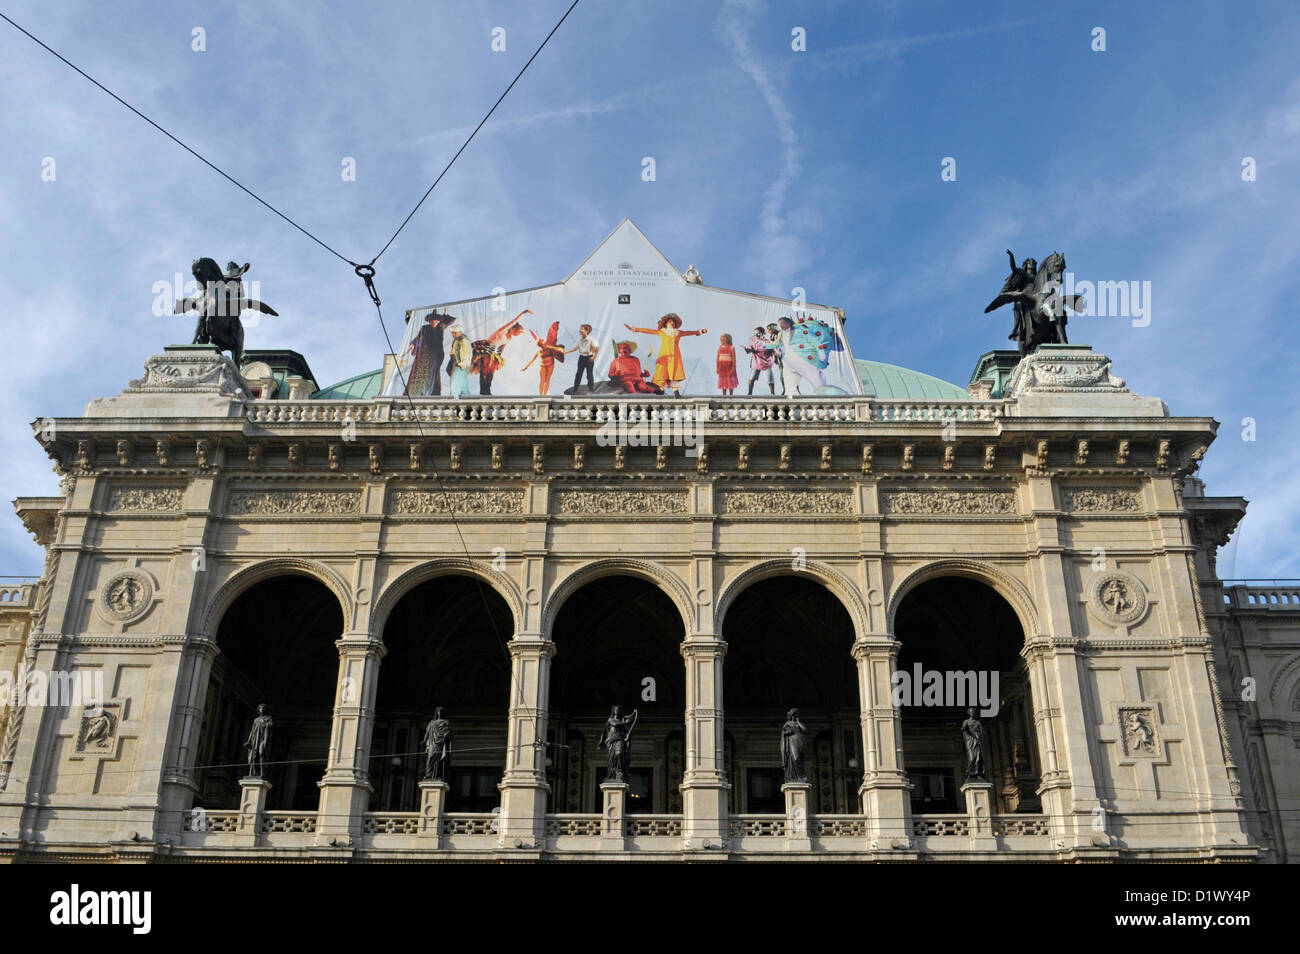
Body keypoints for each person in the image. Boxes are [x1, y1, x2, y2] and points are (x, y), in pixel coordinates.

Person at [624, 313, 707, 397]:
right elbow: (648, 331)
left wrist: (699, 331)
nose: (672, 323)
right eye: (670, 321)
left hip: (674, 357)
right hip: (664, 357)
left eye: (673, 321)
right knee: (663, 374)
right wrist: (634, 329)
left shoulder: (678, 333)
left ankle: (675, 392)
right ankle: (661, 389)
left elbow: (688, 332)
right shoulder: (662, 332)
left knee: (673, 374)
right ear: (666, 323)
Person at [470, 310, 531, 395]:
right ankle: (482, 391)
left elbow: (501, 349)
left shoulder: (509, 338)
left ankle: (487, 391)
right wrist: (523, 313)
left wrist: (497, 359)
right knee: (484, 371)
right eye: (518, 332)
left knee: (490, 372)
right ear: (513, 328)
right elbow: (514, 321)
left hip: (492, 352)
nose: (518, 334)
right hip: (485, 347)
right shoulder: (504, 330)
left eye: (519, 333)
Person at [520, 321, 575, 395]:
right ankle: (540, 395)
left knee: (547, 380)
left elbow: (557, 348)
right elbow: (532, 360)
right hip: (543, 366)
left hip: (550, 365)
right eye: (542, 342)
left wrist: (562, 350)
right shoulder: (539, 351)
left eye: (543, 341)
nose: (544, 342)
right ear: (540, 344)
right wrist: (526, 367)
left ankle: (545, 395)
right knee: (542, 380)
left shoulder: (549, 347)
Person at [598, 705, 638, 782]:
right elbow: (615, 724)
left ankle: (619, 773)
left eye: (618, 709)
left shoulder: (622, 723)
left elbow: (626, 732)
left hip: (620, 739)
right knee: (611, 758)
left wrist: (627, 737)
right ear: (613, 711)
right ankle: (612, 775)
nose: (617, 711)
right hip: (611, 740)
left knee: (619, 754)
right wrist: (625, 722)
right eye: (616, 709)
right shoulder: (610, 720)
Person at [423, 707, 453, 782]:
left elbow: (449, 732)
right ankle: (428, 775)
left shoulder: (446, 722)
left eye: (442, 711)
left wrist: (447, 734)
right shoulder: (431, 722)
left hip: (441, 743)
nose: (440, 713)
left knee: (439, 760)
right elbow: (427, 733)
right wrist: (424, 741)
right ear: (436, 713)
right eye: (439, 711)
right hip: (433, 743)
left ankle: (437, 776)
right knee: (430, 758)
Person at [744, 325, 775, 395]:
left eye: (758, 333)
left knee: (769, 378)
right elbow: (750, 349)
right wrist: (747, 350)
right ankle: (749, 393)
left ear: (762, 333)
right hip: (757, 361)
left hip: (767, 361)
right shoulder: (752, 340)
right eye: (755, 333)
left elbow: (773, 349)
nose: (756, 335)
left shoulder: (767, 341)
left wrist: (776, 355)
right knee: (752, 377)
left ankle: (772, 393)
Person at [245, 704, 273, 779]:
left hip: (263, 739)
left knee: (261, 753)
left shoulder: (268, 718)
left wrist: (264, 722)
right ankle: (254, 772)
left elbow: (270, 725)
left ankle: (262, 772)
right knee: (254, 756)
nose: (262, 709)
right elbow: (252, 730)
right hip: (255, 739)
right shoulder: (256, 720)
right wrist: (248, 741)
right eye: (260, 708)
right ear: (258, 710)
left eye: (263, 708)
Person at [781, 708, 807, 782]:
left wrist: (798, 722)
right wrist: (787, 732)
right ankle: (797, 776)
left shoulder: (798, 723)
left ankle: (801, 777)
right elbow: (784, 732)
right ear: (791, 715)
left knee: (800, 758)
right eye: (794, 715)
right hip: (791, 742)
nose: (795, 716)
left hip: (799, 741)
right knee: (795, 758)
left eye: (796, 715)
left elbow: (804, 729)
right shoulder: (787, 724)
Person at [447, 323, 471, 398]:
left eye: (455, 333)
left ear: (460, 332)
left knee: (455, 384)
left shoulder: (463, 340)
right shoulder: (458, 340)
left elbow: (466, 352)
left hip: (460, 364)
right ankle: (468, 404)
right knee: (463, 386)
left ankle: (454, 401)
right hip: (458, 363)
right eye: (452, 333)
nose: (453, 334)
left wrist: (463, 363)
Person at [572, 324, 599, 392]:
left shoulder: (591, 339)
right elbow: (575, 348)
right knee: (579, 373)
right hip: (581, 358)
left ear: (587, 331)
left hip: (589, 358)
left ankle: (591, 388)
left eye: (582, 329)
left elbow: (597, 347)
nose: (580, 330)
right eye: (580, 329)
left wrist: (594, 357)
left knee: (589, 373)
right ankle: (575, 388)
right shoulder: (579, 340)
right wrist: (566, 352)